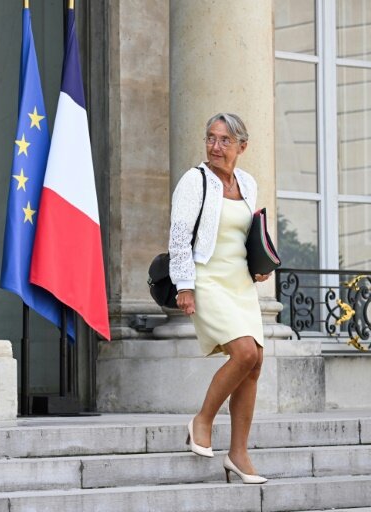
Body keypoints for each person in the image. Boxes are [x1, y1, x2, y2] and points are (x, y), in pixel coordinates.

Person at [169, 113, 270, 484]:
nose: (215, 146)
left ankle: (239, 454)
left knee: (255, 361)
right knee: (243, 352)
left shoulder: (247, 182)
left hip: (240, 281)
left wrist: (261, 264)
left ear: (242, 146)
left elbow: (248, 234)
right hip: (207, 278)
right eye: (211, 138)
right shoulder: (194, 181)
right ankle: (202, 420)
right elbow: (179, 237)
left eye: (225, 140)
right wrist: (184, 286)